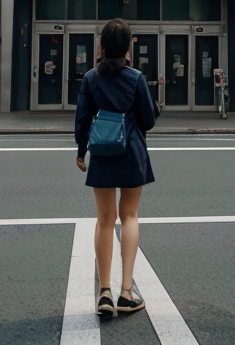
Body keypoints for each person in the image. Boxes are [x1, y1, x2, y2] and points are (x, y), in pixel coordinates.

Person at [75, 18, 157, 318]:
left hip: (102, 150)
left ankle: (105, 292)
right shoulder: (136, 78)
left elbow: (83, 118)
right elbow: (148, 120)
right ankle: (126, 293)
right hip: (131, 151)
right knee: (130, 215)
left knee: (105, 220)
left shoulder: (91, 78)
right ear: (127, 47)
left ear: (101, 46)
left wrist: (81, 152)